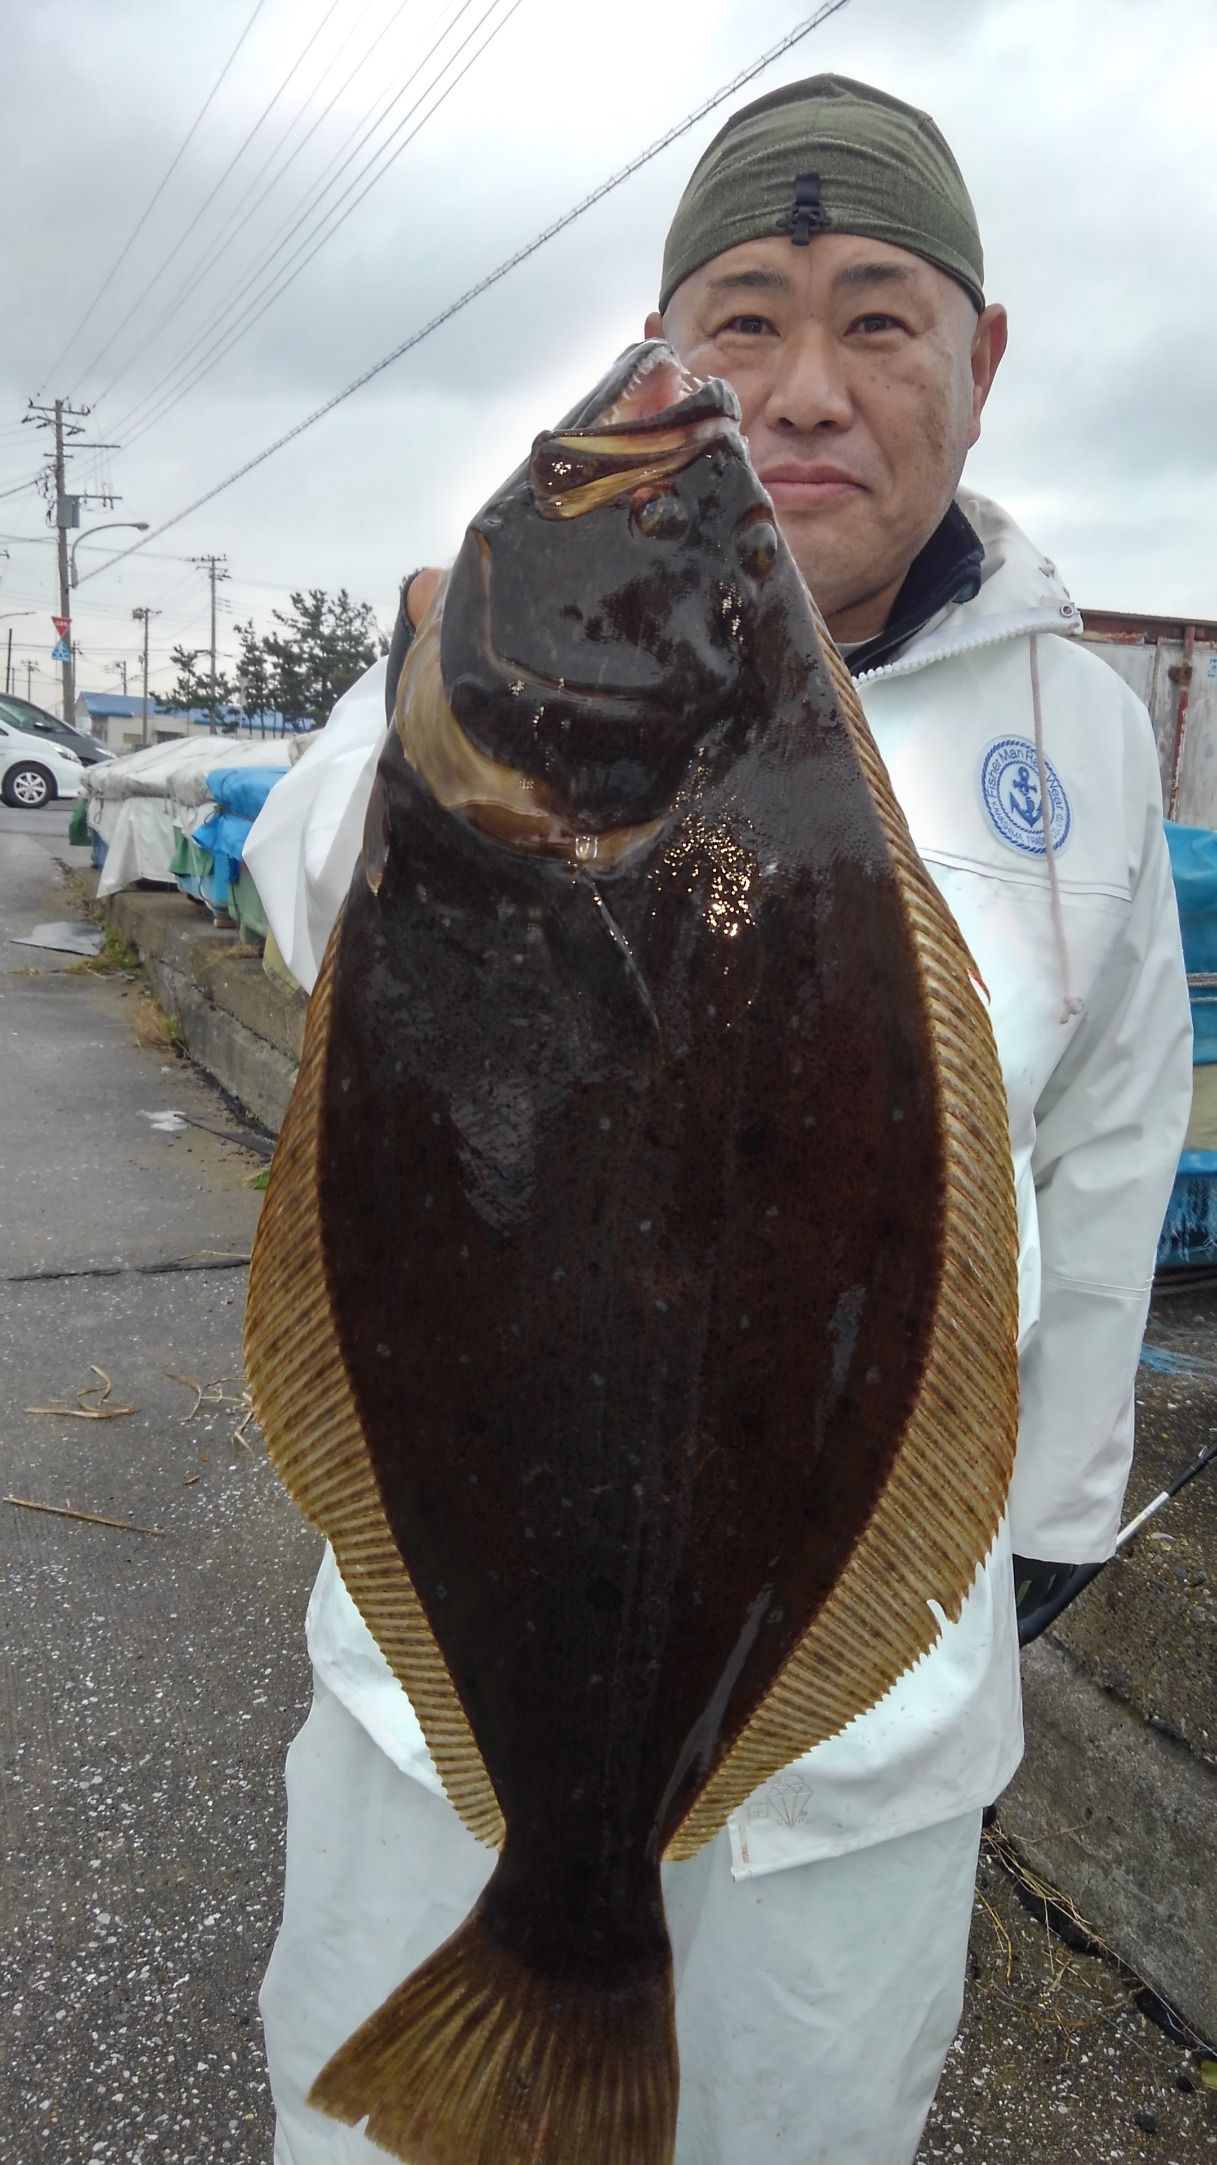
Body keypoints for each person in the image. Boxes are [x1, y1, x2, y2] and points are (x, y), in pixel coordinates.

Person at [246, 73, 1192, 2165]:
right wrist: (428, 718)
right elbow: (307, 904)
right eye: (740, 319)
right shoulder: (461, 655)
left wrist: (1043, 1523)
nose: (803, 388)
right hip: (450, 1700)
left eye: (878, 320)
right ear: (665, 344)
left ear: (982, 357)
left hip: (864, 1752)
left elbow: (1111, 1155)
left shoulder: (1087, 729)